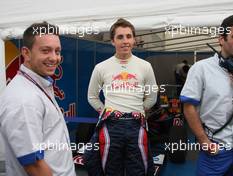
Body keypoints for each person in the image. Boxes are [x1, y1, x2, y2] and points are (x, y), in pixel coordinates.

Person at [180, 15, 233, 176]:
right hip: (216, 148)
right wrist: (204, 140)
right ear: (221, 39)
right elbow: (189, 107)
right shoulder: (201, 69)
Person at [0, 22, 76, 176]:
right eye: (46, 50)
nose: (54, 58)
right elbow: (34, 165)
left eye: (57, 51)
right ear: (26, 53)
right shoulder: (23, 98)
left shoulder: (35, 85)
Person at [86, 18, 157, 176]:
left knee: (139, 171)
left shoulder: (145, 66)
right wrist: (107, 111)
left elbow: (152, 96)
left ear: (134, 39)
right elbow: (92, 96)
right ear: (112, 41)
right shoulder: (101, 67)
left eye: (129, 36)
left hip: (136, 125)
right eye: (120, 37)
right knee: (110, 170)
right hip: (110, 126)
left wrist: (137, 110)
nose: (125, 41)